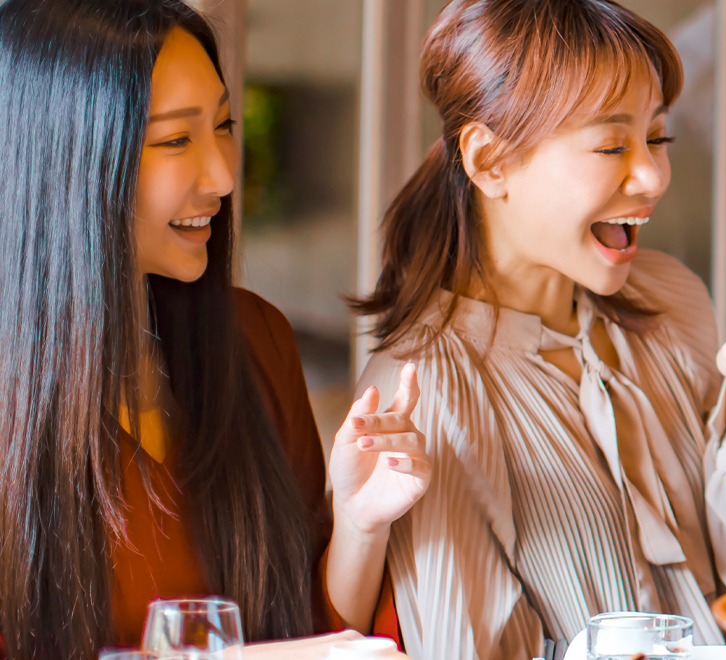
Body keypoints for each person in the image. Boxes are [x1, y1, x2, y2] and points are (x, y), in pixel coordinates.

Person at [350, 1, 726, 657]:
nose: (653, 175)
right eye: (611, 145)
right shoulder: (426, 390)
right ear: (489, 161)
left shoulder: (672, 301)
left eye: (658, 138)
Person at [0, 1, 429, 657]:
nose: (225, 176)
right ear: (64, 157)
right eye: (176, 140)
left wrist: (360, 523)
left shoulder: (252, 341)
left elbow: (309, 633)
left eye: (224, 125)